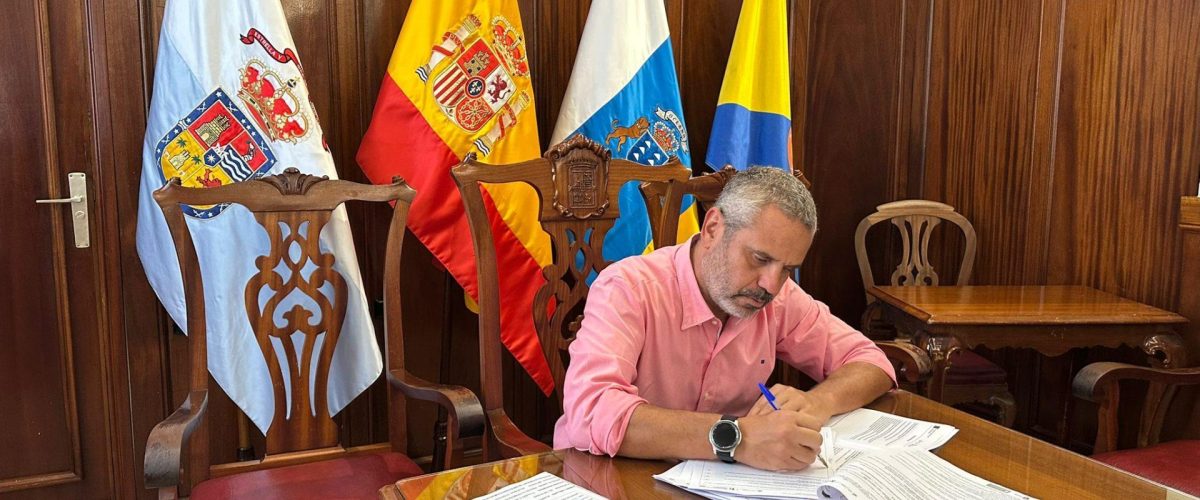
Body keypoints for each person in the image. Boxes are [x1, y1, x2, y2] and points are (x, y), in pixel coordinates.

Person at [553, 167, 895, 472]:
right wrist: (737, 438)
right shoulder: (629, 288)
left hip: (719, 482)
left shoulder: (780, 297)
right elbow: (591, 411)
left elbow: (871, 362)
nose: (770, 286)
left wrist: (817, 402)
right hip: (610, 477)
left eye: (787, 269)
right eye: (759, 258)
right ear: (714, 227)